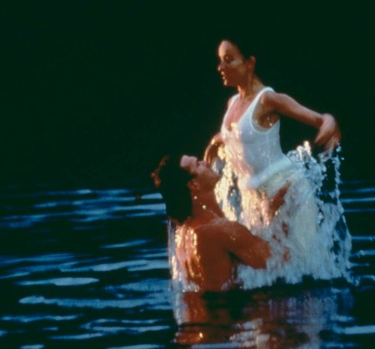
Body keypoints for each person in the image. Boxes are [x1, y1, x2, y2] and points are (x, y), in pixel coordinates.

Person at [203, 37, 352, 287]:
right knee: (267, 273)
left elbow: (319, 119)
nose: (221, 67)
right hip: (255, 200)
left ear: (249, 63)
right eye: (220, 61)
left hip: (288, 193)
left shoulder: (268, 100)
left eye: (229, 60)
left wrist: (329, 123)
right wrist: (216, 140)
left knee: (301, 273)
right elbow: (238, 133)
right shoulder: (232, 104)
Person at [151, 153, 271, 292]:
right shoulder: (220, 231)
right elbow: (280, 261)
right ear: (193, 184)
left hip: (201, 310)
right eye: (198, 164)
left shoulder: (183, 233)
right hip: (231, 310)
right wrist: (274, 210)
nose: (205, 163)